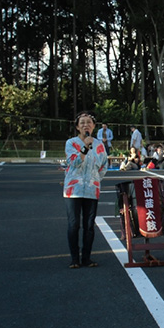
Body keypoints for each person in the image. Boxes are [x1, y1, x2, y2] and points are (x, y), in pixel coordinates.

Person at [63, 111, 108, 268]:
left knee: (89, 225)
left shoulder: (100, 145)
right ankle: (75, 259)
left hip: (91, 189)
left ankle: (86, 258)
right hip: (73, 189)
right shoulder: (71, 143)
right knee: (73, 224)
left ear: (94, 126)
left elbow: (104, 166)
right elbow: (73, 162)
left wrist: (95, 179)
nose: (85, 125)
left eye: (88, 122)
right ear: (77, 127)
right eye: (82, 122)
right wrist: (85, 147)